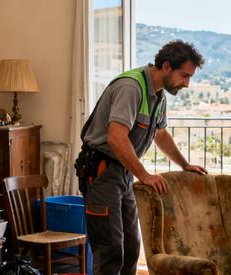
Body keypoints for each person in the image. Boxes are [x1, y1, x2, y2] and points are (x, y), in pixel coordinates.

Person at [75, 40, 208, 275]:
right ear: (166, 66)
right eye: (184, 76)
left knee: (131, 246)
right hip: (102, 172)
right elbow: (116, 138)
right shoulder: (131, 87)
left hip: (124, 173)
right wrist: (144, 175)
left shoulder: (158, 95)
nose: (187, 84)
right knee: (111, 249)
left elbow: (160, 133)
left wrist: (185, 164)